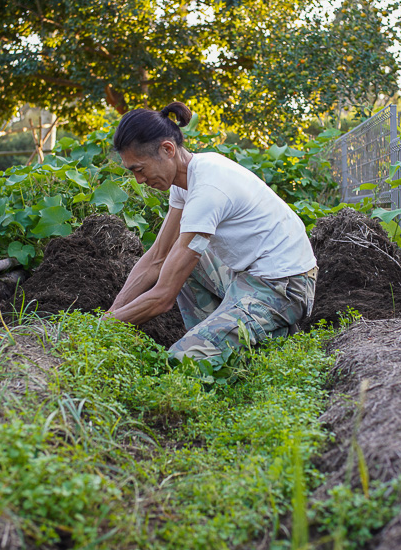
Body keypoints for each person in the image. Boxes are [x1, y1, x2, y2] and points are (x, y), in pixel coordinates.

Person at [105, 101, 318, 370]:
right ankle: (220, 337)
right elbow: (157, 258)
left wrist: (104, 327)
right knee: (177, 256)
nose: (139, 180)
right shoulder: (185, 181)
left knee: (183, 359)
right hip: (247, 276)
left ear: (167, 150)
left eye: (139, 168)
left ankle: (256, 338)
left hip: (284, 285)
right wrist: (110, 316)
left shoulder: (208, 188)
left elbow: (163, 297)